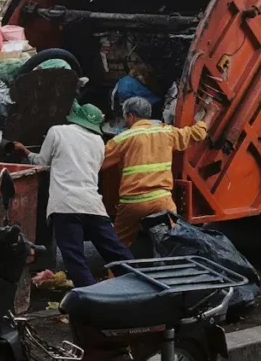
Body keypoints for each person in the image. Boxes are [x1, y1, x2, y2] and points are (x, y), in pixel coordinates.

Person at [12, 103, 134, 288]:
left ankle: (91, 298)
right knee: (116, 252)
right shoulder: (99, 142)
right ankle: (138, 285)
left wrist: (24, 150)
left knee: (74, 258)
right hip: (93, 205)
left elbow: (42, 162)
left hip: (65, 205)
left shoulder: (57, 131)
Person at [102, 96, 218, 247]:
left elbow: (99, 162)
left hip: (132, 203)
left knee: (119, 245)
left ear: (131, 116)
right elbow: (197, 134)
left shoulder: (122, 138)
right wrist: (210, 114)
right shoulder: (167, 132)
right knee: (173, 242)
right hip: (162, 201)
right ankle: (175, 268)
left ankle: (115, 271)